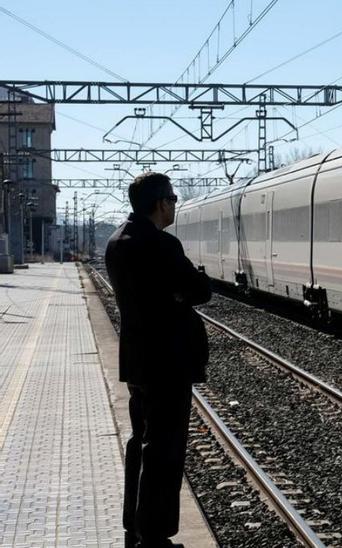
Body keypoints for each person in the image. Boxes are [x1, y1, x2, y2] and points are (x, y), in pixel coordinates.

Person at [105, 172, 210, 548]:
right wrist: (178, 295)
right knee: (164, 451)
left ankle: (134, 528)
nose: (175, 205)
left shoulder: (116, 242)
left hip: (137, 360)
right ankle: (155, 537)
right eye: (173, 199)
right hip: (168, 361)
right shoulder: (162, 244)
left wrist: (174, 295)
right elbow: (200, 291)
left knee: (142, 443)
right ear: (161, 203)